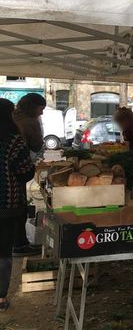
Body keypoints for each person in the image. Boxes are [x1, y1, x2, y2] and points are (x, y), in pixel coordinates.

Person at [0, 99, 35, 312]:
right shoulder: (13, 141)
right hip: (6, 203)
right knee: (3, 251)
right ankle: (1, 298)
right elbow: (25, 171)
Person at [12, 93, 46, 257]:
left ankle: (16, 243)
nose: (41, 113)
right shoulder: (29, 122)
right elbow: (36, 144)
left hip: (8, 169)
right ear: (33, 107)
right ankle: (19, 245)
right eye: (41, 109)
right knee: (19, 208)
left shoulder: (13, 116)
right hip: (17, 169)